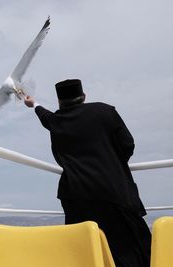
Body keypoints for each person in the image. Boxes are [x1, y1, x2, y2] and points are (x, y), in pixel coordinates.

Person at [24, 79, 151, 267]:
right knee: (130, 247)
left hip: (76, 196)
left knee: (85, 250)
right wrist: (112, 162)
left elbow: (44, 115)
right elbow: (127, 144)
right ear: (83, 97)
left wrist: (33, 103)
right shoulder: (105, 111)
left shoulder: (56, 120)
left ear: (59, 102)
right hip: (113, 191)